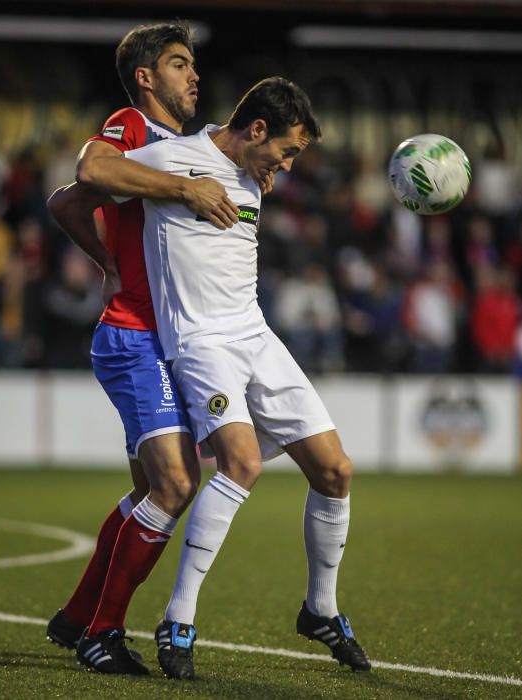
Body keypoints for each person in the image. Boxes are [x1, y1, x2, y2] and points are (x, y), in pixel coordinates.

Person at [61, 76, 371, 680]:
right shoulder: (174, 156)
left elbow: (242, 200)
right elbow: (82, 182)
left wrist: (257, 174)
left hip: (255, 333)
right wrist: (110, 261)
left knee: (336, 470)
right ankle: (179, 616)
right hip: (200, 342)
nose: (287, 163)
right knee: (241, 464)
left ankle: (320, 610)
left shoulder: (252, 172)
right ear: (257, 128)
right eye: (286, 150)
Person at [45, 21, 241, 677]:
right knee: (177, 482)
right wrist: (113, 262)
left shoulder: (185, 144)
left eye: (193, 64)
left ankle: (77, 617)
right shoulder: (133, 125)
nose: (194, 75)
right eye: (180, 63)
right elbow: (84, 176)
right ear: (147, 77)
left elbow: (66, 205)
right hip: (133, 334)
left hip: (170, 340)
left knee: (151, 494)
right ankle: (102, 634)